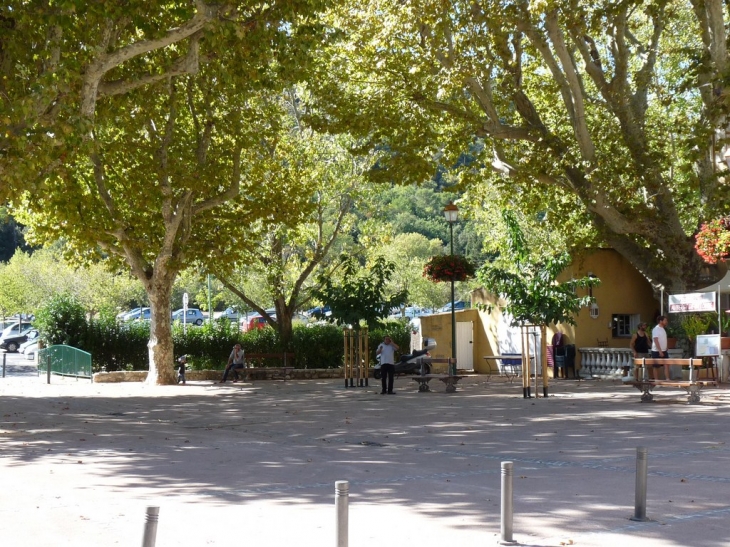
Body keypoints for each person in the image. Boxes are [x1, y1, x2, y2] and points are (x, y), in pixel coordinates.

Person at [651, 315, 670, 380]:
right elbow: (655, 340)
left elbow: (663, 339)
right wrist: (659, 351)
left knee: (666, 364)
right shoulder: (656, 329)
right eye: (665, 320)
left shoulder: (663, 329)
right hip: (656, 351)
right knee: (656, 366)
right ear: (660, 321)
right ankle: (656, 380)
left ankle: (667, 379)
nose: (666, 321)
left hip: (664, 350)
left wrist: (666, 347)